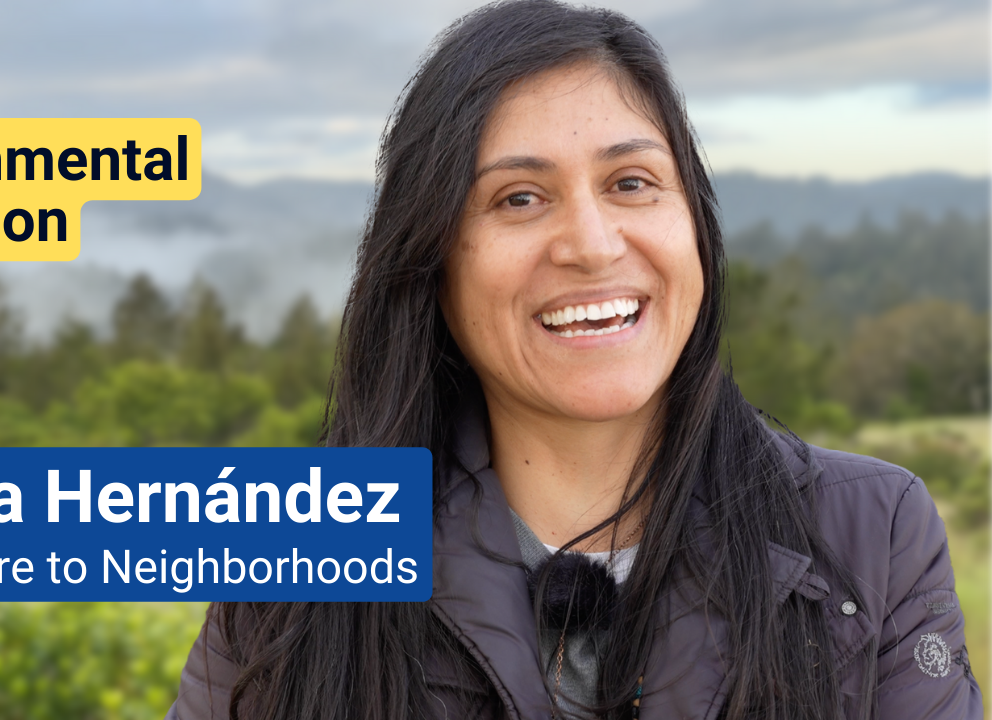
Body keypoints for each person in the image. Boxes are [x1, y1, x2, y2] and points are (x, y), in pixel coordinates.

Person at [166, 2, 983, 718]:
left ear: (694, 225)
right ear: (430, 261)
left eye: (632, 183)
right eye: (519, 198)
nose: (592, 246)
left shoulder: (872, 531)